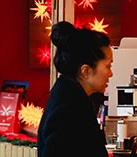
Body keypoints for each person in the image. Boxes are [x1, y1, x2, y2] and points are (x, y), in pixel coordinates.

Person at [37, 21, 113, 157]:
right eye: (108, 66)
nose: (110, 73)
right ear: (86, 71)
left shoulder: (71, 96)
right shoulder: (68, 108)